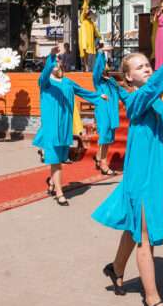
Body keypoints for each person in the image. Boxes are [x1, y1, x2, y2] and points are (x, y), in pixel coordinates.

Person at [92, 34, 163, 306]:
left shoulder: (154, 102)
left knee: (135, 229)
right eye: (140, 67)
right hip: (143, 178)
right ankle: (152, 300)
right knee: (146, 237)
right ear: (128, 77)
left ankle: (115, 269)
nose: (147, 69)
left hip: (158, 175)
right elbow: (153, 87)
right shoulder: (136, 100)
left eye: (148, 65)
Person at [34, 46, 108, 206]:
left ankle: (52, 183)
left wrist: (98, 96)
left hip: (64, 127)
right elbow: (45, 73)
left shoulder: (67, 82)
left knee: (60, 159)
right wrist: (51, 55)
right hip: (51, 128)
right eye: (54, 62)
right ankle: (59, 193)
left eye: (58, 61)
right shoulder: (44, 83)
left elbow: (82, 91)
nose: (56, 64)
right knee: (55, 161)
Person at [92, 45, 129, 175]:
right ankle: (104, 165)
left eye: (106, 64)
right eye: (103, 64)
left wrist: (134, 99)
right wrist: (102, 53)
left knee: (107, 136)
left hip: (112, 111)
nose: (104, 66)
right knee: (105, 134)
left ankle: (98, 157)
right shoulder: (98, 80)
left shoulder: (111, 79)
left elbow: (122, 92)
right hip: (103, 110)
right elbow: (97, 69)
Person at [79, 0, 102, 72]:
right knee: (85, 52)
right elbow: (84, 9)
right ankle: (86, 67)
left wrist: (99, 38)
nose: (87, 9)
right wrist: (86, 0)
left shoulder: (90, 20)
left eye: (88, 8)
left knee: (91, 53)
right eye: (86, 8)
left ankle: (90, 67)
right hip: (84, 38)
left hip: (90, 38)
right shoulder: (82, 17)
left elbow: (95, 30)